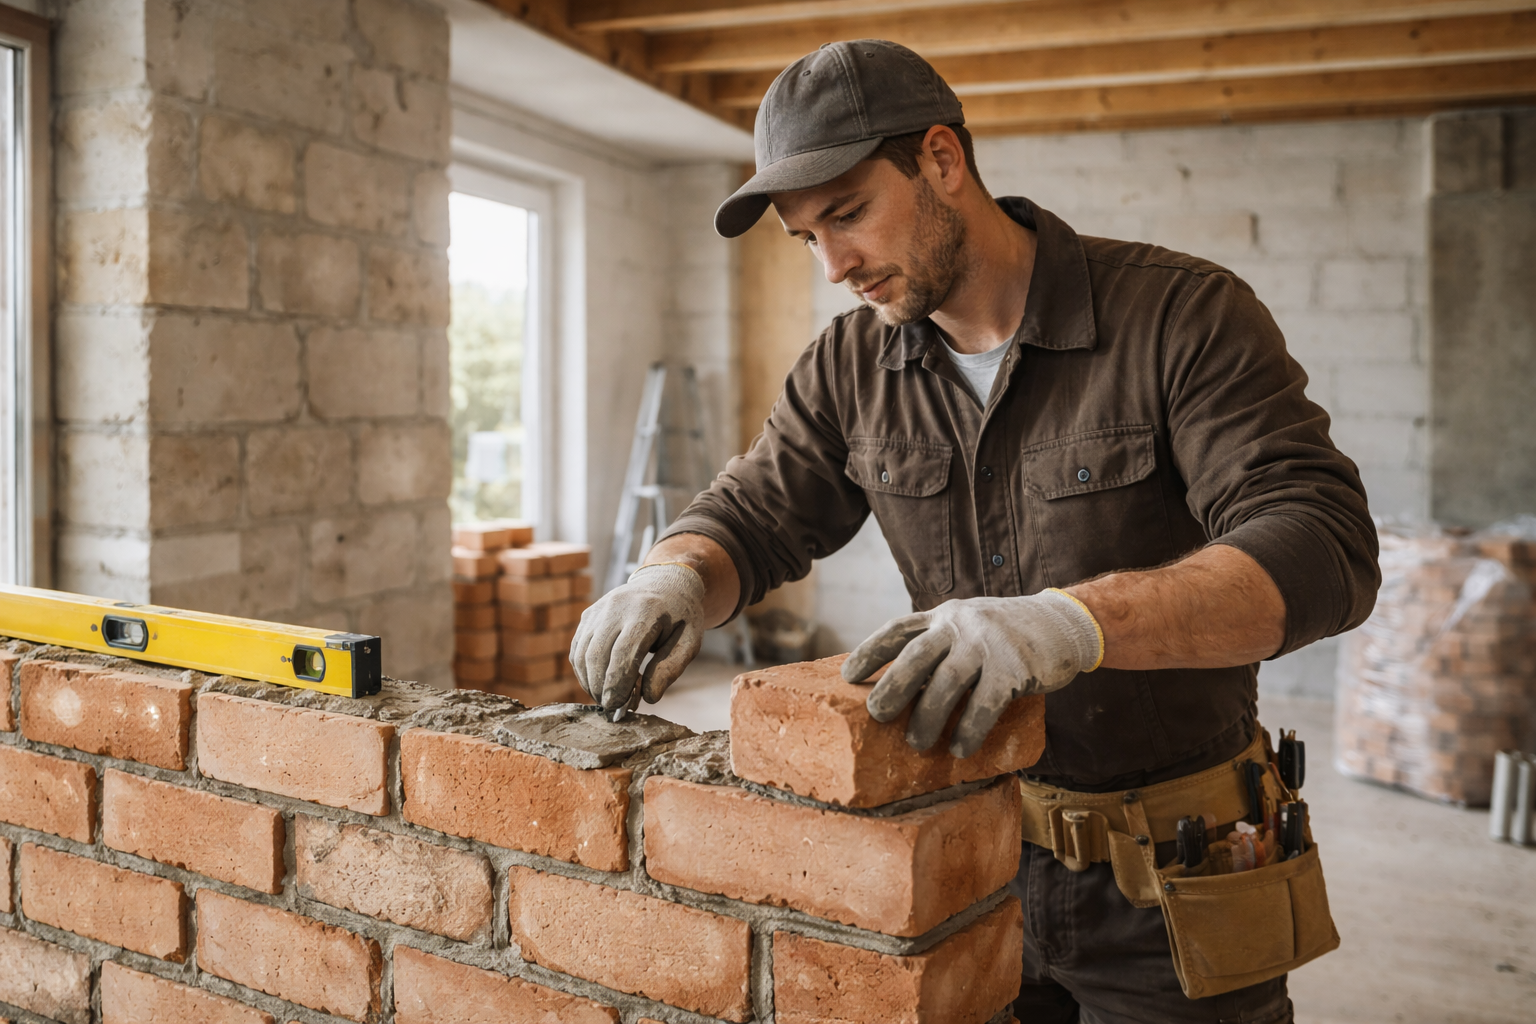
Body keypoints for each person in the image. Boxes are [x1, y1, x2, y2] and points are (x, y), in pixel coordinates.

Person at [570, 39, 1378, 1023]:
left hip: (1176, 871)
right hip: (968, 859)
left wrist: (1069, 624)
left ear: (942, 159)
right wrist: (674, 577)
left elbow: (1323, 545)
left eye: (848, 214)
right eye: (806, 238)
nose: (834, 266)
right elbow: (753, 513)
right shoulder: (850, 366)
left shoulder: (1181, 315)